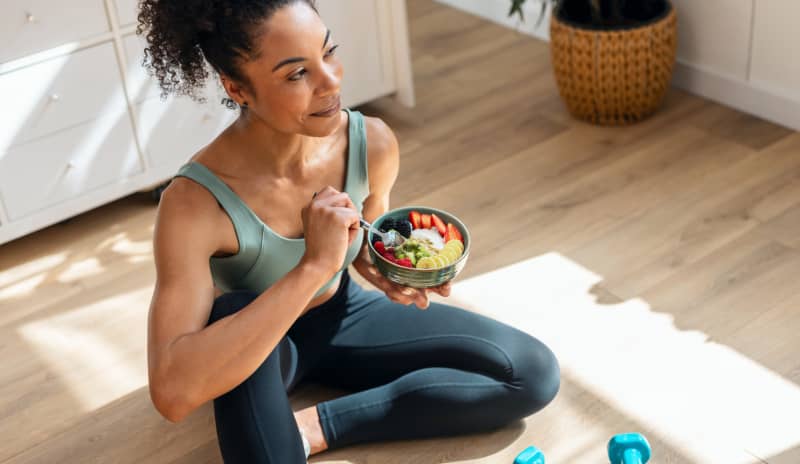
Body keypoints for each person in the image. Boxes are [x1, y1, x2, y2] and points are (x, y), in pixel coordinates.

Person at [140, 1, 560, 462]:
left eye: (328, 52)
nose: (331, 80)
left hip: (343, 316)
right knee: (236, 316)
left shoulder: (371, 143)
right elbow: (173, 393)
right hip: (255, 345)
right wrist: (315, 263)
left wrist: (388, 267)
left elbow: (365, 239)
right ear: (237, 88)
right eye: (297, 74)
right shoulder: (195, 203)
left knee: (532, 374)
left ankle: (315, 428)